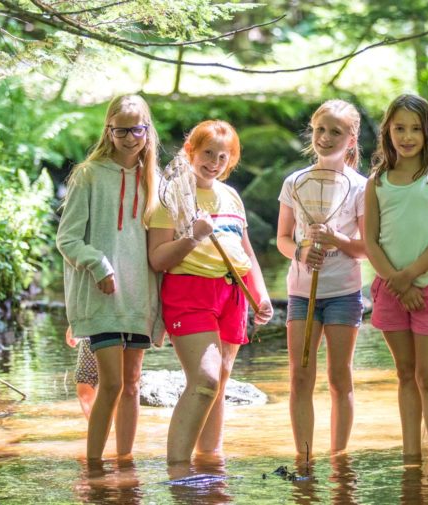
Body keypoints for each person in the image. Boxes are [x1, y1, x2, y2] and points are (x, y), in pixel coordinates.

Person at [147, 120, 274, 464]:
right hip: (190, 292)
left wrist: (260, 295)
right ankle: (177, 469)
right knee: (204, 380)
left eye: (223, 156)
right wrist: (193, 236)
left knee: (220, 382)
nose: (214, 162)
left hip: (232, 295)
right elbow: (158, 258)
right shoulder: (171, 195)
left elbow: (246, 253)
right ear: (190, 151)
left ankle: (211, 466)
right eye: (207, 153)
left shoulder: (231, 196)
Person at [56, 94, 164, 461]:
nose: (130, 138)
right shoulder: (87, 175)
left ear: (147, 131)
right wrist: (99, 265)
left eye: (137, 129)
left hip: (140, 298)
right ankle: (95, 468)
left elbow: (161, 245)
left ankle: (125, 465)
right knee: (112, 383)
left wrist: (162, 308)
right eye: (122, 130)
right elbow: (67, 239)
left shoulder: (154, 180)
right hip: (102, 295)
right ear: (109, 130)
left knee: (132, 385)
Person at [364, 94, 428, 464]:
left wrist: (411, 278)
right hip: (390, 290)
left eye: (415, 129)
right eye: (399, 128)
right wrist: (396, 282)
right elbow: (370, 239)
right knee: (405, 374)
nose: (407, 136)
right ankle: (410, 457)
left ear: (427, 133)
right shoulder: (378, 181)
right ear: (387, 131)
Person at [276, 100, 368, 458]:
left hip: (344, 292)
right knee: (300, 377)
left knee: (339, 378)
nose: (326, 138)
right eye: (320, 130)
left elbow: (364, 249)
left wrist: (336, 240)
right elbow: (283, 239)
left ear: (351, 138)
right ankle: (304, 457)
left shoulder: (361, 186)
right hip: (302, 293)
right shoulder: (294, 182)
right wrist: (300, 251)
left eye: (336, 131)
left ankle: (338, 458)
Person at [66, 326, 97, 420]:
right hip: (89, 339)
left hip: (116, 336)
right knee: (84, 386)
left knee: (112, 388)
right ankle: (97, 431)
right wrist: (74, 326)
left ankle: (116, 431)